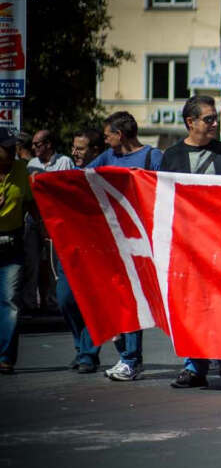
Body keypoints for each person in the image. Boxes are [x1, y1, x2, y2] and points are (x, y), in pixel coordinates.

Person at [161, 95, 221, 389]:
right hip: (186, 247)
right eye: (208, 119)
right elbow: (162, 199)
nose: (214, 123)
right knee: (191, 308)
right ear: (190, 122)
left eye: (215, 118)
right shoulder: (171, 156)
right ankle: (194, 367)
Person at [72, 112, 163, 380]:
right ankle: (129, 357)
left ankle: (132, 358)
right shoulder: (108, 158)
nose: (105, 139)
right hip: (113, 239)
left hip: (143, 240)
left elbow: (166, 190)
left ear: (120, 135)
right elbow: (82, 179)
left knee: (136, 299)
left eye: (108, 135)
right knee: (123, 298)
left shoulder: (152, 158)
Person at [23, 130, 74, 314]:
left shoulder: (64, 161)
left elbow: (67, 190)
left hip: (55, 219)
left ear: (49, 144)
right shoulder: (31, 164)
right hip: (34, 218)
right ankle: (29, 303)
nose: (34, 148)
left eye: (38, 144)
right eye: (33, 145)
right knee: (31, 261)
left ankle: (52, 302)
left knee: (55, 263)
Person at [0, 129, 32, 374]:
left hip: (13, 244)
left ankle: (6, 358)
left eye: (14, 148)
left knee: (10, 301)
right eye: (6, 148)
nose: (12, 153)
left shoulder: (22, 170)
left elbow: (31, 203)